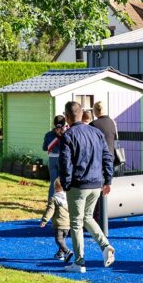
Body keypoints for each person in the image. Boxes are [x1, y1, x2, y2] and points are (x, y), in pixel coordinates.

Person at [58, 100, 115, 273]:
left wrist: (66, 184)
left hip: (78, 183)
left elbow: (65, 163)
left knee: (76, 223)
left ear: (67, 117)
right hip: (96, 183)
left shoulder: (68, 136)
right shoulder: (96, 133)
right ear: (82, 114)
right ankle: (105, 246)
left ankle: (79, 262)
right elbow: (107, 156)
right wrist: (108, 180)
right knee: (88, 218)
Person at [39, 190, 74, 262]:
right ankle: (60, 254)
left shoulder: (54, 199)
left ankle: (67, 251)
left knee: (58, 239)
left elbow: (50, 210)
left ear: (55, 189)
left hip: (59, 224)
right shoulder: (68, 198)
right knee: (62, 239)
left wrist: (45, 220)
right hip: (67, 224)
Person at [43, 115, 67, 200]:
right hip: (62, 160)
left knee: (53, 182)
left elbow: (44, 148)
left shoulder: (48, 134)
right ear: (64, 124)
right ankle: (62, 201)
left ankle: (51, 201)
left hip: (52, 160)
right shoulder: (66, 134)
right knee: (63, 182)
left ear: (54, 123)